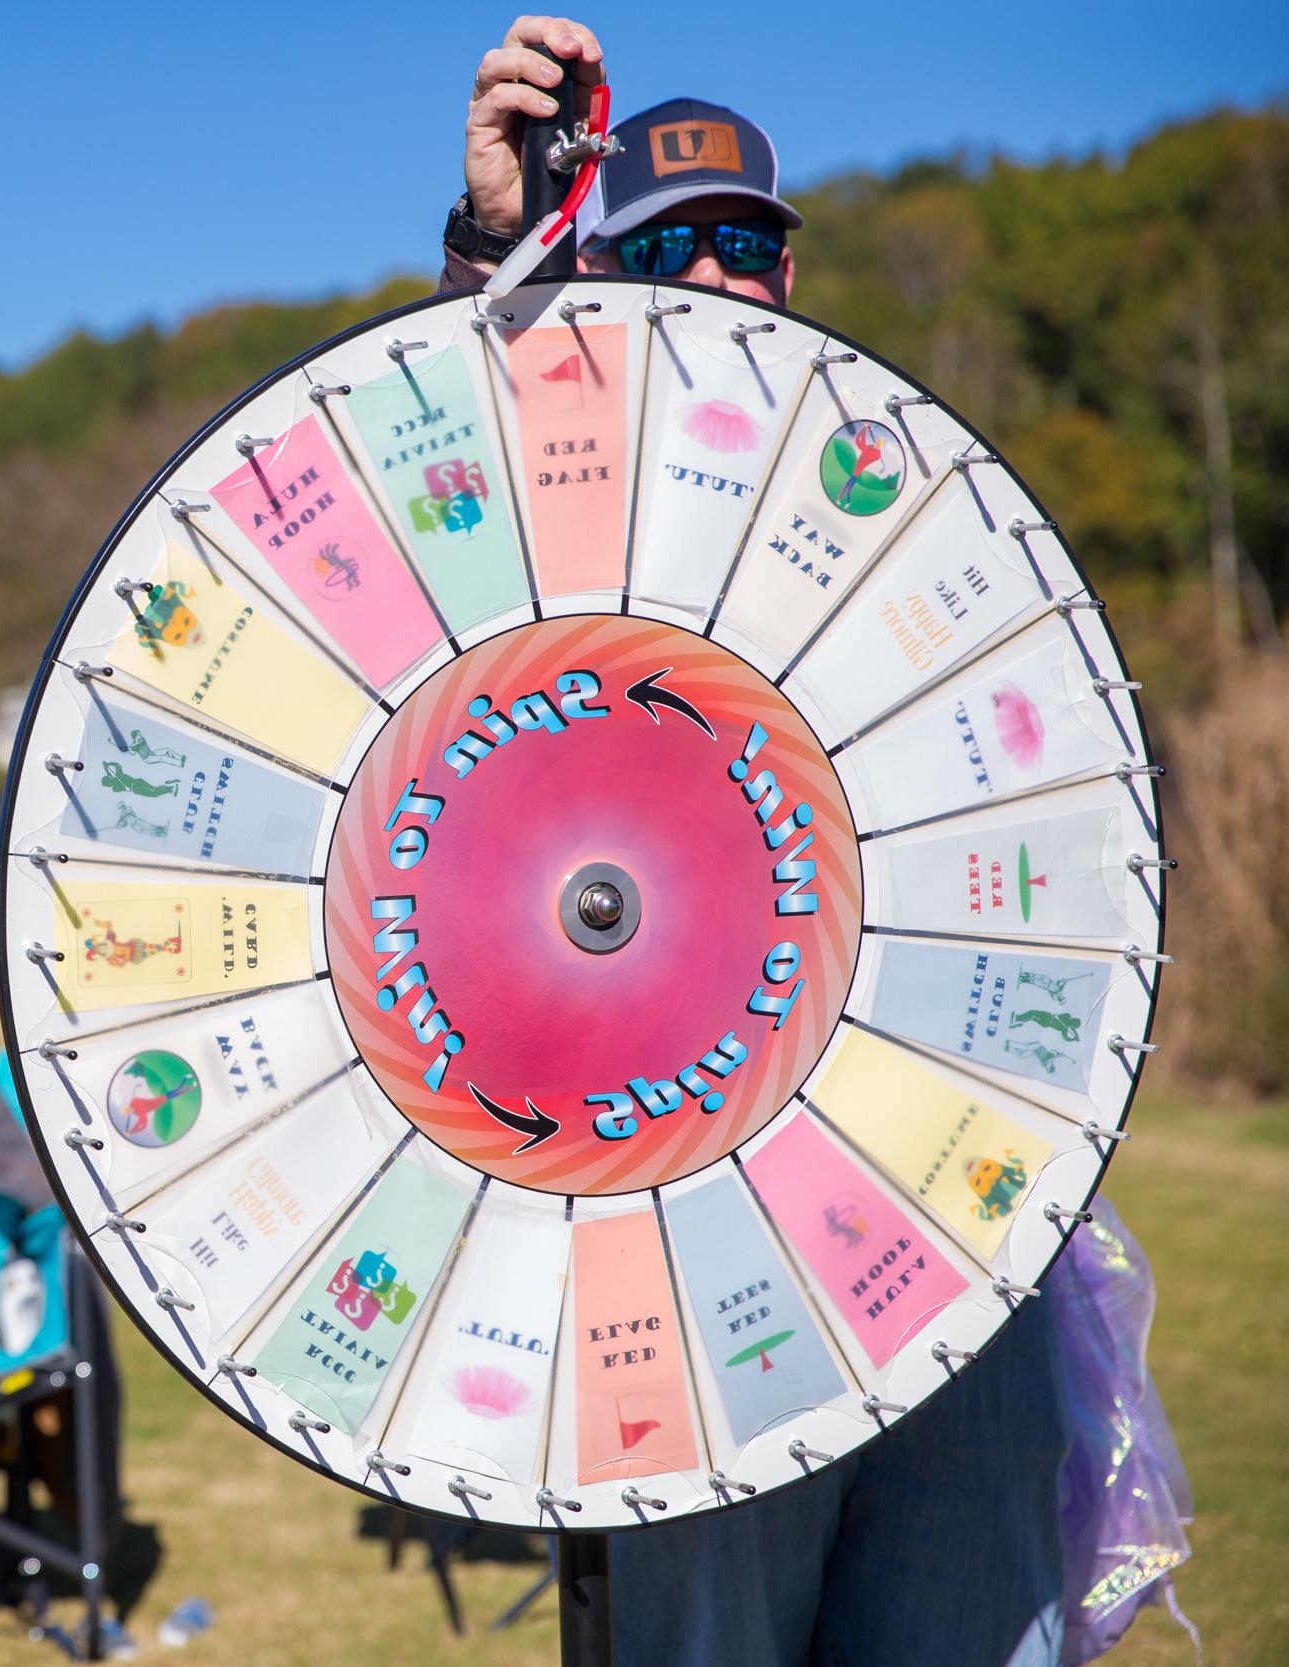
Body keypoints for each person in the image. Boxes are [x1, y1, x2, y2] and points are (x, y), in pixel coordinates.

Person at [439, 20, 1071, 1666]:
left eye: (751, 244)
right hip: (680, 1247)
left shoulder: (886, 506)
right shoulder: (572, 514)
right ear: (612, 275)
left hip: (954, 1214)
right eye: (670, 250)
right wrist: (500, 253)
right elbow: (444, 517)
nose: (720, 278)